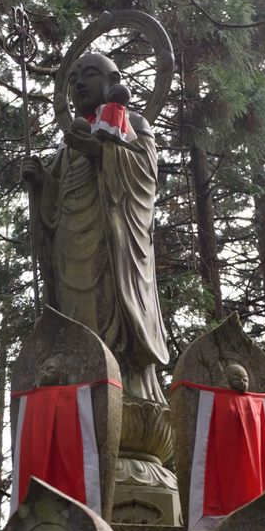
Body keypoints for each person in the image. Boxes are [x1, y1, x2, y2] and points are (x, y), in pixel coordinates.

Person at [22, 51, 169, 408]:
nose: (80, 85)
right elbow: (58, 197)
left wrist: (104, 153)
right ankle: (78, 384)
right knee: (73, 317)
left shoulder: (132, 121)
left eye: (89, 75)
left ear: (113, 81)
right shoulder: (66, 141)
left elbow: (146, 175)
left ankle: (124, 388)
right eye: (73, 80)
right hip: (69, 244)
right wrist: (41, 182)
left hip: (110, 244)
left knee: (108, 316)